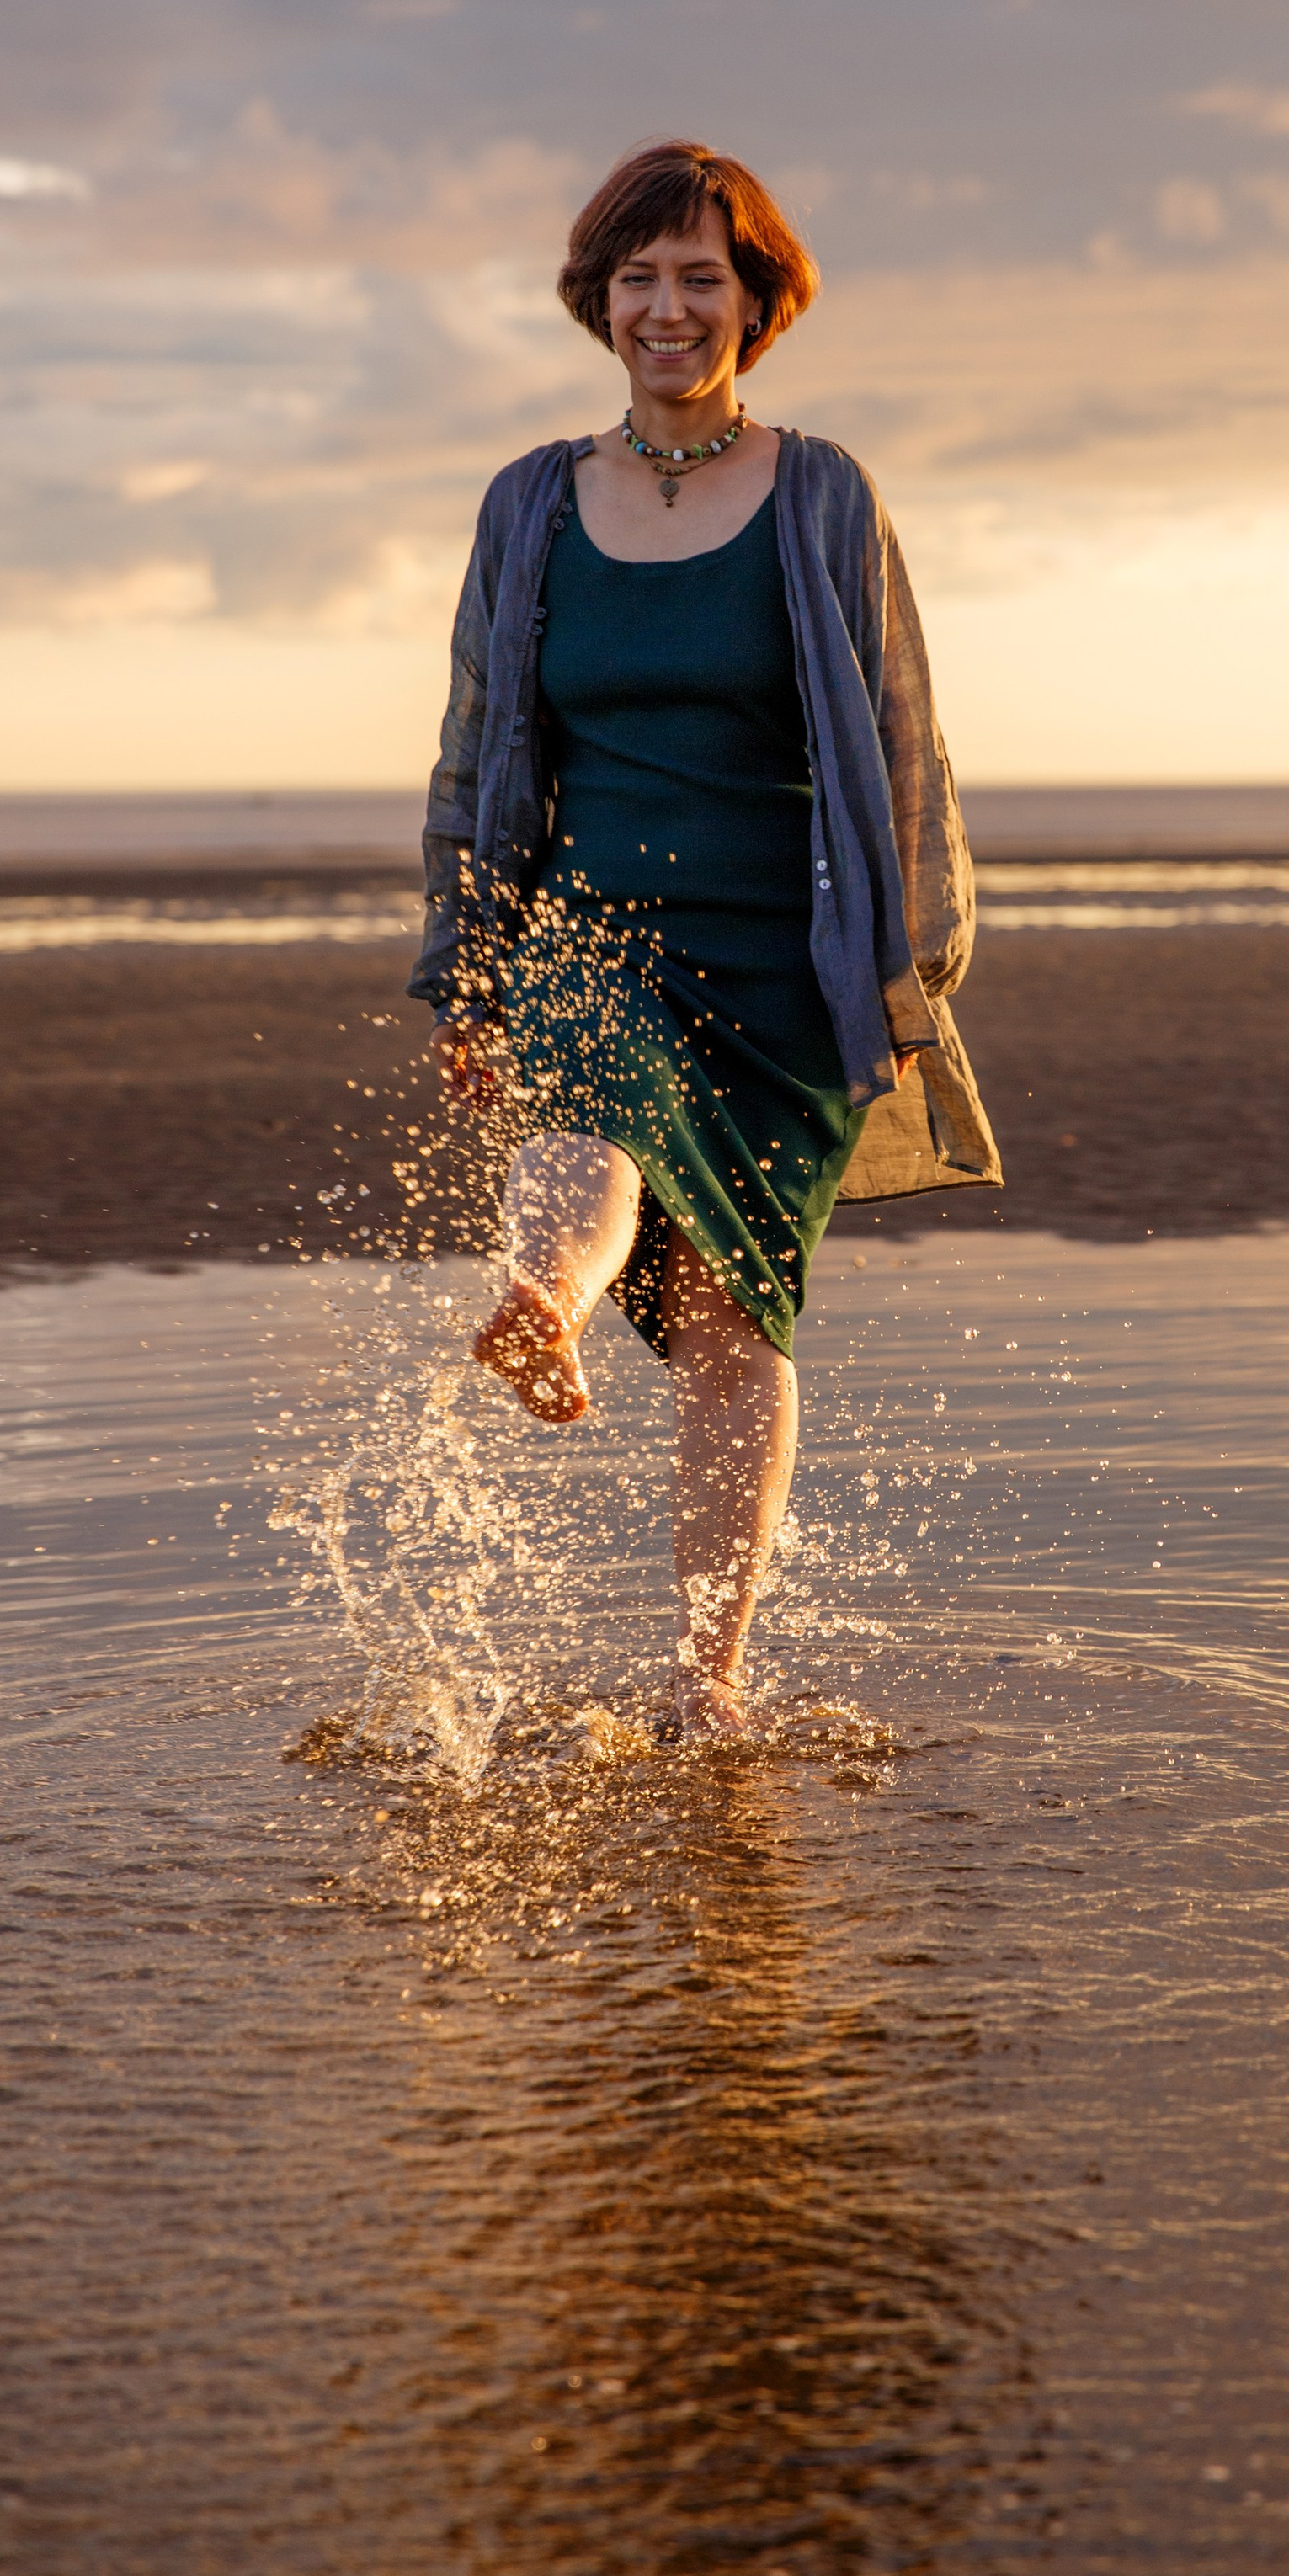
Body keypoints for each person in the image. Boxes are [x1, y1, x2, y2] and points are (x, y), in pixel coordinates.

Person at [407, 140, 1000, 1737]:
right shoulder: (532, 503)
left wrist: (911, 972)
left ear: (756, 300)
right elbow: (476, 742)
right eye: (638, 278)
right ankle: (544, 1303)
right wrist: (465, 961)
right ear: (598, 300)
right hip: (590, 916)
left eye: (700, 278)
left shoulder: (821, 494)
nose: (667, 308)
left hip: (780, 962)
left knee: (742, 1316)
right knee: (590, 1088)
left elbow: (903, 735)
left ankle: (703, 1682)